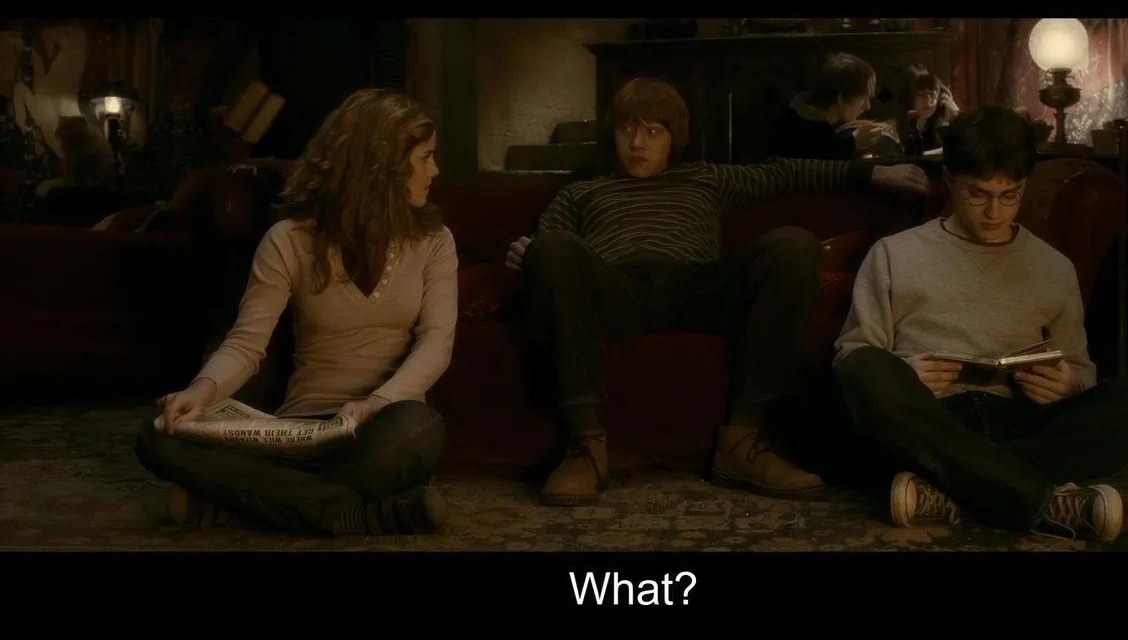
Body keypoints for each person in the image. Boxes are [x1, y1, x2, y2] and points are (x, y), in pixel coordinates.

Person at [505, 77, 929, 506]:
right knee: (552, 248)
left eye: (652, 131)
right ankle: (585, 448)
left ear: (674, 138)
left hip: (697, 287)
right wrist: (531, 252)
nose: (636, 143)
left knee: (794, 244)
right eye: (626, 129)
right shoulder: (580, 192)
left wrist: (872, 172)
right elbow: (548, 250)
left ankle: (741, 443)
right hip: (616, 291)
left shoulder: (705, 177)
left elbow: (786, 172)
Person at [831, 106, 1128, 542]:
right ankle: (1035, 496)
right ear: (950, 182)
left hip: (1022, 419)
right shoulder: (893, 253)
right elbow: (852, 356)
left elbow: (1081, 368)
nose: (994, 211)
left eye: (1010, 195)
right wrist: (905, 374)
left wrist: (1069, 386)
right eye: (978, 195)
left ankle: (955, 488)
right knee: (865, 369)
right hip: (930, 419)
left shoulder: (1054, 268)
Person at [135, 89, 458, 537]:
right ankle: (352, 512)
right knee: (157, 436)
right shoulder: (288, 239)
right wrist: (201, 391)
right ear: (381, 164)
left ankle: (251, 498)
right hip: (297, 431)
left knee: (419, 429)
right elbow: (246, 343)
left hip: (380, 428)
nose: (435, 171)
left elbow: (437, 341)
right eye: (425, 158)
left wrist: (377, 404)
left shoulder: (435, 241)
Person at [767, 52, 889, 160]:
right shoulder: (795, 126)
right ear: (841, 99)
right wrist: (854, 141)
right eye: (862, 99)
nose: (867, 106)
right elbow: (820, 159)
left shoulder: (815, 118)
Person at [888, 65, 959, 155]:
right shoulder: (895, 128)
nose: (927, 100)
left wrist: (956, 114)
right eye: (920, 93)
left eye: (932, 92)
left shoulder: (946, 122)